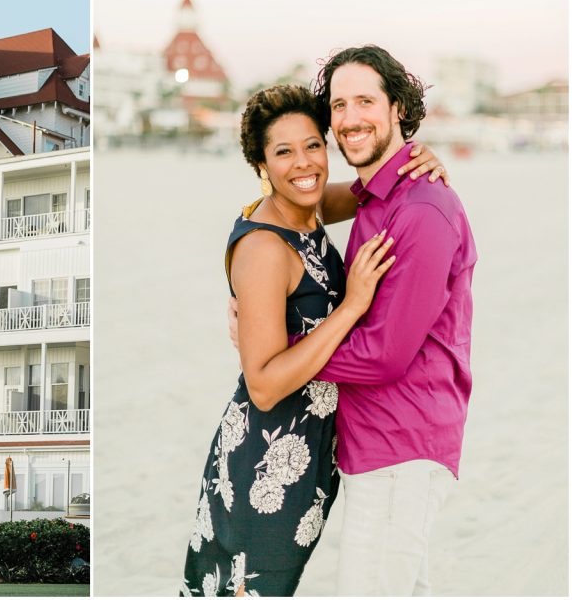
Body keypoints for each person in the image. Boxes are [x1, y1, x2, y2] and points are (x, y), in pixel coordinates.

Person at [180, 84, 449, 597]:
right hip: (267, 462)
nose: (304, 163)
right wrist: (352, 306)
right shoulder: (264, 246)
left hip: (309, 454)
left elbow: (375, 185)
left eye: (313, 145)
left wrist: (418, 157)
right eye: (283, 152)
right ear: (261, 163)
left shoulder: (306, 206)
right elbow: (262, 386)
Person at [229, 46, 477, 596]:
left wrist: (280, 348)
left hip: (401, 444)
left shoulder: (419, 210)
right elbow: (301, 202)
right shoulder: (378, 194)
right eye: (339, 105)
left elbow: (385, 354)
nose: (350, 117)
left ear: (398, 109)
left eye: (366, 100)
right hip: (375, 443)